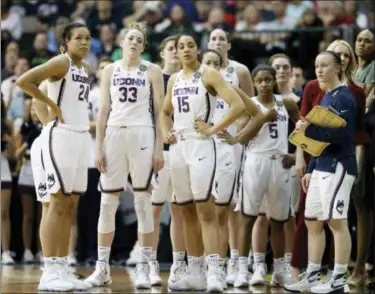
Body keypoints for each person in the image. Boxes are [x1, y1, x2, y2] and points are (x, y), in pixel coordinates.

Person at [160, 34, 245, 293]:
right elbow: (165, 112)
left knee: (205, 211)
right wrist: (166, 131)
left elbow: (238, 104)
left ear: (197, 49)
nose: (184, 50)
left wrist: (213, 128)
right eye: (179, 47)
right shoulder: (174, 79)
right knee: (185, 211)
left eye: (189, 46)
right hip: (178, 146)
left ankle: (215, 272)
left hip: (201, 145)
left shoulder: (208, 74)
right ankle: (195, 270)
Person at [86, 22, 164, 289]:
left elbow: (159, 113)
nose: (133, 42)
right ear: (122, 42)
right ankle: (102, 268)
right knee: (108, 202)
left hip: (143, 133)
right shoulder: (109, 69)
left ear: (143, 46)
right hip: (114, 133)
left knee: (143, 200)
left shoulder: (153, 70)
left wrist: (158, 148)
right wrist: (98, 146)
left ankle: (144, 266)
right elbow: (103, 111)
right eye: (129, 38)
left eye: (138, 39)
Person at [16, 22, 93, 291]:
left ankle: (62, 268)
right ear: (66, 42)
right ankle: (49, 273)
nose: (84, 42)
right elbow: (24, 81)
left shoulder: (85, 68)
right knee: (55, 204)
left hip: (80, 137)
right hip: (59, 137)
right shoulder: (62, 61)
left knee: (69, 206)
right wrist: (50, 105)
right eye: (78, 38)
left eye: (88, 38)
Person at [285, 51, 357, 294]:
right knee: (312, 222)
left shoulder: (345, 98)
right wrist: (311, 169)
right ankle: (314, 275)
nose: (319, 70)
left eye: (325, 65)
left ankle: (339, 280)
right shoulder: (325, 97)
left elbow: (340, 136)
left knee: (336, 222)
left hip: (339, 165)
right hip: (322, 167)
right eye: (316, 65)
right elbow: (320, 142)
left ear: (338, 68)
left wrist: (307, 131)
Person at [225, 64, 299, 289]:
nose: (265, 83)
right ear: (255, 83)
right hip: (255, 162)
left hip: (280, 162)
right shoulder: (250, 105)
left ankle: (278, 271)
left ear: (274, 81)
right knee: (248, 219)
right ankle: (242, 269)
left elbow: (304, 127)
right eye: (261, 80)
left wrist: (296, 154)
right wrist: (262, 119)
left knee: (279, 221)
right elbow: (242, 138)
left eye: (269, 79)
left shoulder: (286, 103)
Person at [200, 49, 264, 288]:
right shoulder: (190, 87)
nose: (212, 67)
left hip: (226, 151)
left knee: (223, 211)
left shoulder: (231, 89)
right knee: (202, 210)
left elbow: (257, 114)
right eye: (207, 63)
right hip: (199, 151)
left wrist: (238, 137)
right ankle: (204, 265)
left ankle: (229, 263)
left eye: (216, 63)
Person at [250, 53, 303, 285]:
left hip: (290, 162)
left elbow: (304, 130)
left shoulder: (296, 100)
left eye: (285, 67)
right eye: (276, 67)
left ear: (291, 72)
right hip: (262, 162)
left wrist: (297, 155)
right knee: (261, 217)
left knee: (288, 217)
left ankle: (290, 267)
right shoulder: (255, 101)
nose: (281, 71)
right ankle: (259, 266)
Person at [149, 35, 188, 290]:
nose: (175, 52)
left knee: (179, 211)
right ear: (162, 52)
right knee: (152, 210)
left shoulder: (188, 80)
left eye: (179, 48)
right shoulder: (153, 78)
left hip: (183, 151)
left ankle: (178, 264)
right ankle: (149, 262)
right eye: (171, 48)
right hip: (155, 151)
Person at [15, 100, 43, 263]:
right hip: (26, 172)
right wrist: (27, 143)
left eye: (36, 109)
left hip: (43, 173)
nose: (34, 112)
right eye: (31, 109)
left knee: (42, 215)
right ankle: (27, 250)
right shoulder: (25, 129)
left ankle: (41, 250)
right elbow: (16, 155)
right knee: (28, 216)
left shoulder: (47, 128)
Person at [1, 96, 15, 265]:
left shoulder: (7, 124)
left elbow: (13, 154)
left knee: (3, 213)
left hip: (3, 169)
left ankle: (6, 252)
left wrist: (7, 140)